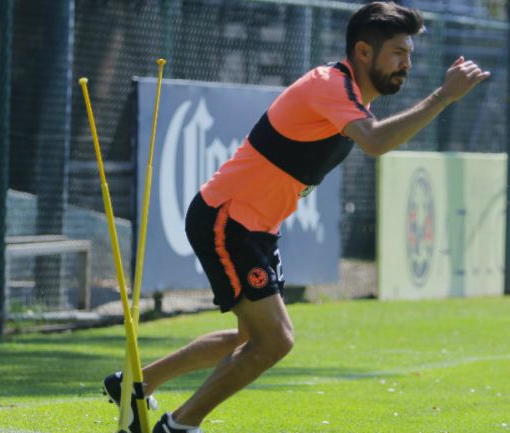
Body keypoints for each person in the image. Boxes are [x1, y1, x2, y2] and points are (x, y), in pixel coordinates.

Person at [103, 2, 490, 432]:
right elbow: (376, 142)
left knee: (251, 340)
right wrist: (443, 95)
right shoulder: (330, 84)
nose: (407, 63)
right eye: (399, 52)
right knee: (276, 340)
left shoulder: (352, 97)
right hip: (227, 219)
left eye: (410, 54)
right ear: (364, 52)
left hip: (255, 228)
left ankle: (135, 383)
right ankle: (179, 425)